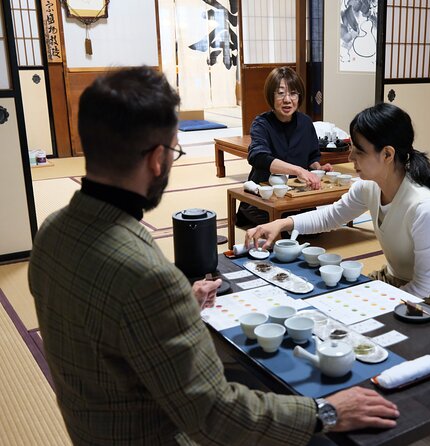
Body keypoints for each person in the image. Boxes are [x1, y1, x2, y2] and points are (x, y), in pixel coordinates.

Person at [28, 67, 399, 445]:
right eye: (175, 150)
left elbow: (105, 321)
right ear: (157, 159)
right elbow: (216, 416)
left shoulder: (51, 231)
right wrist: (328, 412)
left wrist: (173, 307)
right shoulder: (147, 276)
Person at [246, 103, 430, 319]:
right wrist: (282, 223)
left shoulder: (424, 208)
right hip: (393, 281)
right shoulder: (369, 187)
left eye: (359, 152)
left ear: (387, 155)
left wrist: (375, 307)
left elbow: (425, 285)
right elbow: (331, 216)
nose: (350, 158)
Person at [238, 67, 332, 226]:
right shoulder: (261, 124)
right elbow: (258, 157)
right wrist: (298, 170)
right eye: (281, 93)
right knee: (279, 232)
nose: (288, 99)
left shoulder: (305, 122)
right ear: (271, 95)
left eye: (293, 93)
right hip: (265, 197)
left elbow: (311, 157)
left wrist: (319, 169)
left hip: (297, 197)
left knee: (315, 231)